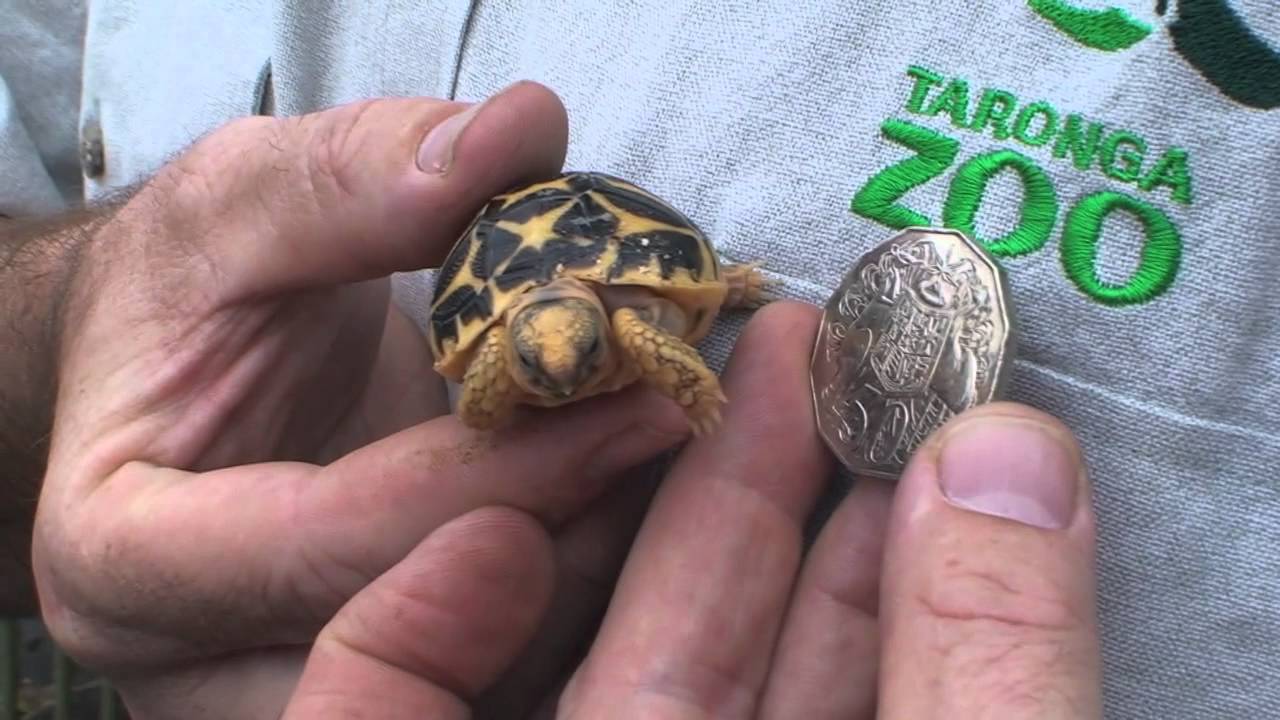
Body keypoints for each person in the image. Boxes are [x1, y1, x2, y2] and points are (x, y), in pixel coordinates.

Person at [1, 1, 1275, 717]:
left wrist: (689, 335)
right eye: (536, 370)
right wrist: (78, 319)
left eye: (558, 361)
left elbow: (673, 331)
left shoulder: (633, 322)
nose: (548, 379)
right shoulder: (525, 358)